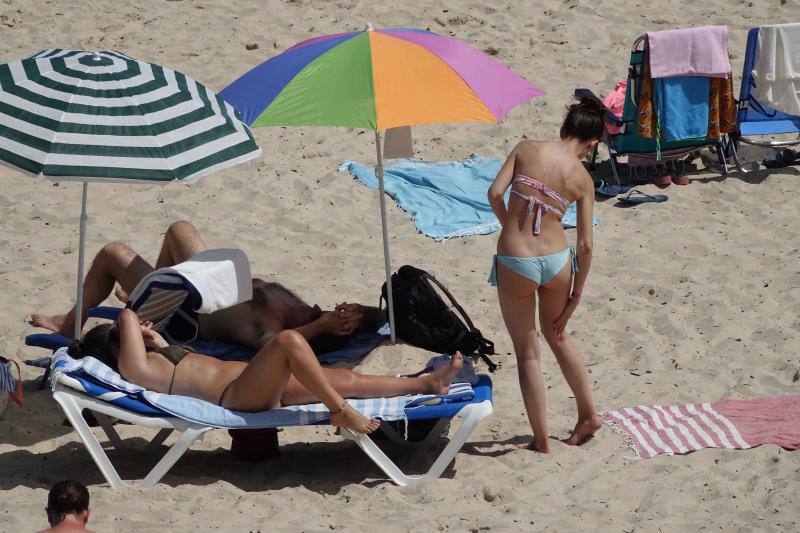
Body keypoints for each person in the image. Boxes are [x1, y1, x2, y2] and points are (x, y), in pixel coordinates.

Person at [68, 308, 463, 434]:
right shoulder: (135, 369)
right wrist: (127, 322)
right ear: (121, 344)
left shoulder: (152, 356)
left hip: (253, 382)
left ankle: (425, 381)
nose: (145, 329)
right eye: (136, 333)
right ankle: (340, 410)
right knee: (289, 341)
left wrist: (155, 341)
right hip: (239, 398)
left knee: (343, 376)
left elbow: (181, 356)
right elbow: (126, 312)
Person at [30, 220, 386, 349]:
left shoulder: (266, 329)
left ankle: (68, 327)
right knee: (178, 229)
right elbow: (378, 319)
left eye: (333, 319)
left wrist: (323, 325)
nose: (333, 310)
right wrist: (361, 313)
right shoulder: (301, 310)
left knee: (112, 254)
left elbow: (276, 346)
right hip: (206, 278)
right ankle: (145, 289)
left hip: (180, 308)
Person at [487, 95, 604, 453]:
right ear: (592, 143)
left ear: (562, 128)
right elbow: (585, 245)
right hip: (557, 261)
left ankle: (541, 441)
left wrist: (510, 227)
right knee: (559, 336)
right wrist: (576, 296)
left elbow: (494, 192)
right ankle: (587, 414)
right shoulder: (583, 178)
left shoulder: (526, 149)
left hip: (516, 261)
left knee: (527, 353)